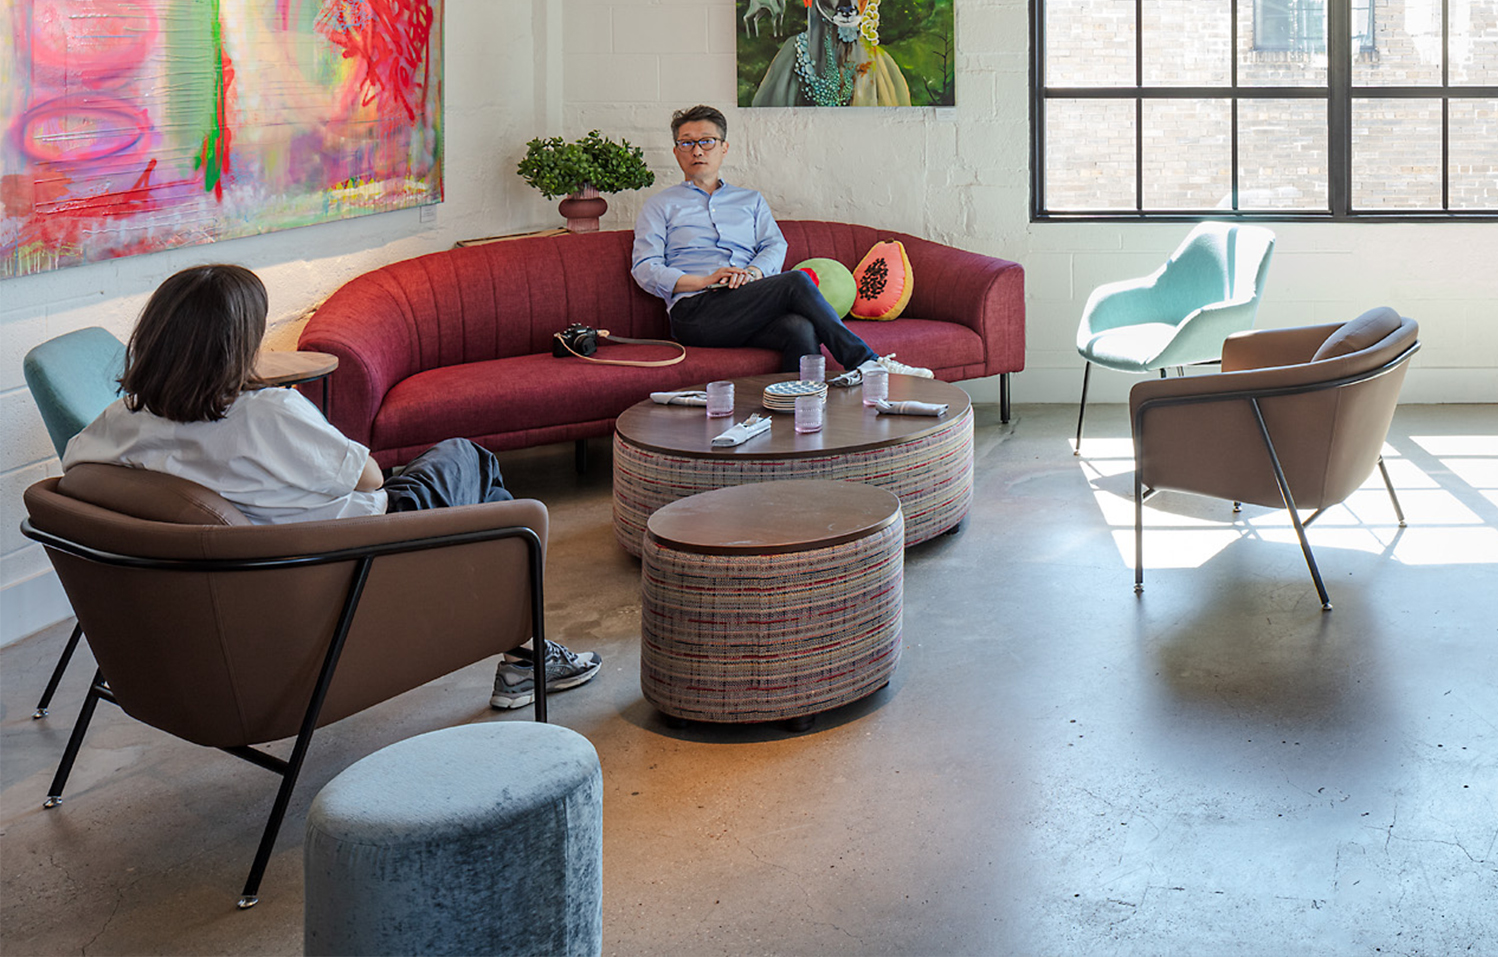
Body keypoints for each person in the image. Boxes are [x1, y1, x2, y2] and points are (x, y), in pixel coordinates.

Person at [61, 262, 601, 711]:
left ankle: (521, 648)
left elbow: (76, 470)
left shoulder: (121, 420)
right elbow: (369, 477)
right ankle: (526, 655)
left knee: (440, 475)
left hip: (251, 586)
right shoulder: (267, 412)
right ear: (238, 344)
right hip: (352, 561)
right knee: (468, 459)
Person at [631, 104, 931, 380]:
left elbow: (774, 245)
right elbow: (645, 267)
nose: (697, 150)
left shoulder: (750, 201)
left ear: (724, 148)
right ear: (676, 152)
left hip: (746, 303)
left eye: (707, 141)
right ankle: (868, 362)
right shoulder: (659, 206)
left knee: (800, 328)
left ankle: (799, 409)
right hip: (695, 312)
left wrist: (753, 273)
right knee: (796, 281)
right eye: (687, 143)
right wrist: (703, 280)